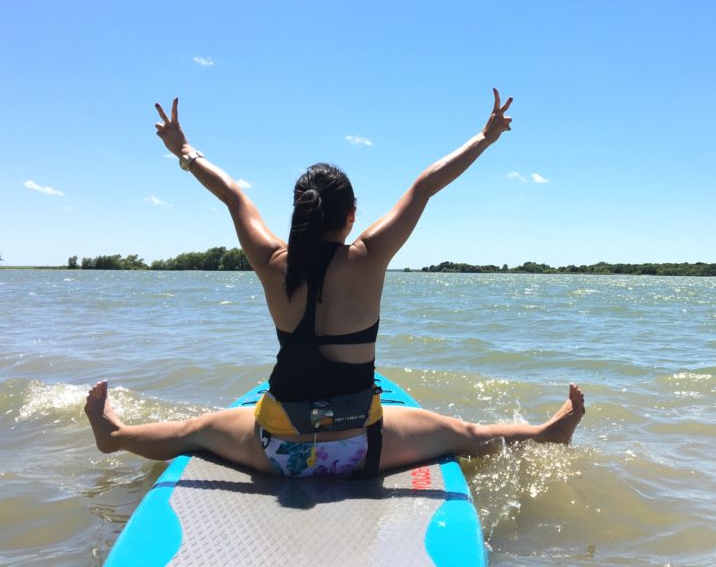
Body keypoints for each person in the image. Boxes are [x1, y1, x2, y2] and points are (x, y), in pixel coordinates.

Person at [85, 90, 584, 478]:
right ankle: (546, 433)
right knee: (467, 433)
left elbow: (233, 195)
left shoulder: (272, 262)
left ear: (299, 213)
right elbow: (426, 185)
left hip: (278, 449)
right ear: (351, 214)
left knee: (191, 430)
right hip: (362, 445)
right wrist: (486, 137)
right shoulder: (368, 257)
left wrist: (183, 149)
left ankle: (115, 436)